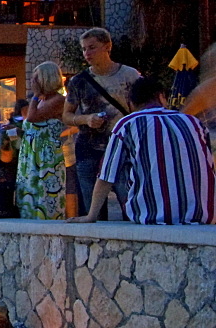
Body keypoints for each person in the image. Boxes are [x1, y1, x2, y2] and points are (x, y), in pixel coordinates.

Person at [69, 77, 216, 225]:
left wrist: (91, 215)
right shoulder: (194, 123)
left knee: (128, 162)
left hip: (151, 216)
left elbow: (107, 175)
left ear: (131, 104)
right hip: (202, 215)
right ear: (161, 97)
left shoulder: (128, 124)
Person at [62, 27, 140, 219]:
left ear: (107, 47)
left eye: (92, 48)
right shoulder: (79, 81)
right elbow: (66, 115)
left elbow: (140, 111)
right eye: (84, 49)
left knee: (129, 202)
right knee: (91, 209)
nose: (87, 53)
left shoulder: (130, 76)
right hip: (89, 147)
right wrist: (86, 119)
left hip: (122, 146)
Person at [16, 62, 67, 220]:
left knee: (44, 198)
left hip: (46, 157)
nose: (33, 82)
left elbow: (33, 117)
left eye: (36, 78)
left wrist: (35, 95)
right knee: (29, 197)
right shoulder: (41, 101)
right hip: (31, 156)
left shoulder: (58, 100)